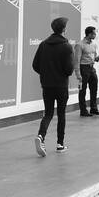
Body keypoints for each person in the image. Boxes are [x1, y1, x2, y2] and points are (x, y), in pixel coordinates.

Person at [32, 16, 75, 156]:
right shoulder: (67, 46)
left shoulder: (43, 44)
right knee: (61, 114)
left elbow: (35, 65)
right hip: (61, 86)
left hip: (47, 85)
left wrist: (47, 74)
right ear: (64, 29)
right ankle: (60, 144)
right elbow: (69, 70)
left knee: (48, 113)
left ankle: (41, 136)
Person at [74, 26, 99, 117]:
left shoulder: (94, 44)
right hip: (83, 68)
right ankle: (83, 110)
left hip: (92, 68)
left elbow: (93, 57)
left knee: (94, 89)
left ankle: (94, 108)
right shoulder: (79, 45)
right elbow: (77, 60)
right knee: (83, 90)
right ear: (89, 34)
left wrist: (96, 59)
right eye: (94, 33)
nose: (95, 35)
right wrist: (78, 74)